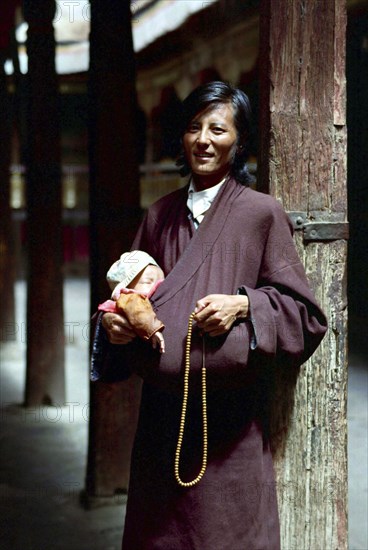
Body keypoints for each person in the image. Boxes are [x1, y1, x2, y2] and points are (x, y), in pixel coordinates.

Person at [92, 81, 327, 549]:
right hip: (161, 422)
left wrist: (244, 303)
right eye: (194, 127)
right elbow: (126, 298)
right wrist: (113, 327)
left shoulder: (261, 214)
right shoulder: (159, 216)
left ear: (238, 142)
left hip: (230, 426)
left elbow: (305, 315)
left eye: (218, 129)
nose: (204, 139)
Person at [97, 250, 165, 353]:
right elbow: (139, 311)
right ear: (126, 287)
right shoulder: (130, 298)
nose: (158, 285)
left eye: (162, 281)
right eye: (148, 282)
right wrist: (153, 329)